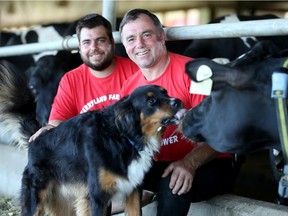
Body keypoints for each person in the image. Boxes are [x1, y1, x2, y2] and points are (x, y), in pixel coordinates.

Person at [119, 8, 241, 216]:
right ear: (125, 46)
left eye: (146, 35)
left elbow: (220, 133)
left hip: (209, 161)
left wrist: (189, 163)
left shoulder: (195, 73)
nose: (139, 44)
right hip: (159, 164)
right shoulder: (129, 89)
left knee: (172, 185)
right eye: (131, 39)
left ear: (161, 36)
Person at [29, 13, 138, 142]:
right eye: (87, 42)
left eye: (101, 40)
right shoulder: (70, 80)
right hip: (93, 153)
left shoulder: (136, 71)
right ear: (79, 48)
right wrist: (48, 130)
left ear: (112, 43)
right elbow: (58, 121)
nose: (94, 48)